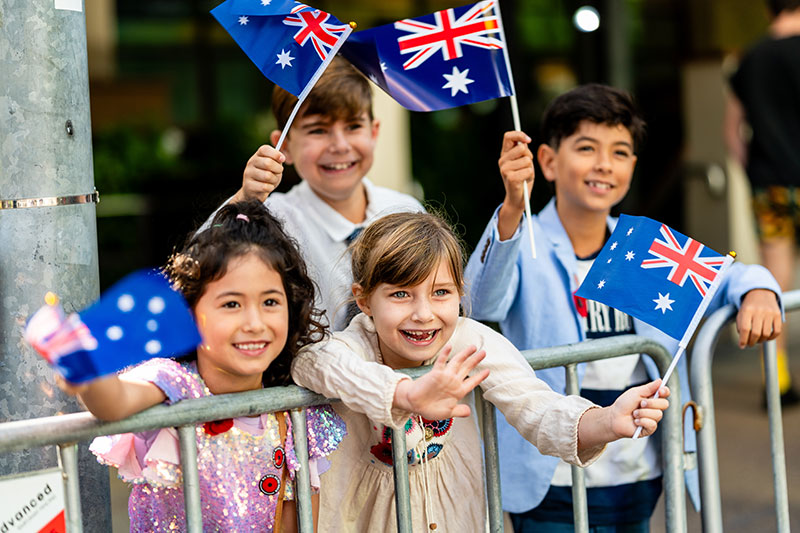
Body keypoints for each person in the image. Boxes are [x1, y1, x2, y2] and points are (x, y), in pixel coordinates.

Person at [464, 84, 783, 532]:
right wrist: (513, 208)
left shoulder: (640, 246)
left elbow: (729, 275)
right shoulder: (525, 241)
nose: (603, 164)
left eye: (620, 152)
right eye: (586, 148)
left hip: (638, 469)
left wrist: (760, 293)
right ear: (549, 163)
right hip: (551, 473)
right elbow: (479, 300)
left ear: (633, 165)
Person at [291, 211, 672, 532]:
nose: (423, 313)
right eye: (401, 294)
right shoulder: (354, 344)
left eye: (441, 293)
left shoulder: (468, 340)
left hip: (459, 518)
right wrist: (405, 395)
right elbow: (312, 361)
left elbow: (536, 406)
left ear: (460, 292)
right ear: (364, 300)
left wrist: (606, 420)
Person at [66, 200, 345, 532]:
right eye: (231, 304)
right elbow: (113, 400)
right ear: (189, 315)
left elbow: (296, 523)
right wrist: (85, 367)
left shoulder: (294, 414)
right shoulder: (175, 382)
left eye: (270, 301)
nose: (254, 322)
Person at [217, 56, 423, 331]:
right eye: (318, 130)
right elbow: (201, 266)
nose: (339, 145)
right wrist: (245, 199)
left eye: (353, 127)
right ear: (284, 146)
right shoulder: (273, 219)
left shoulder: (405, 211)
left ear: (374, 133)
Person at [725, 0, 800, 405]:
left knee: (776, 279)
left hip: (769, 185)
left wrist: (755, 172)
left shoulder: (749, 59)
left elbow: (731, 131)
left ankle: (778, 379)